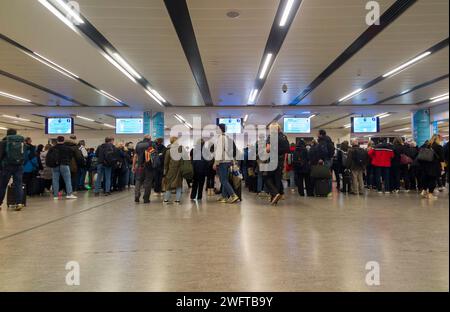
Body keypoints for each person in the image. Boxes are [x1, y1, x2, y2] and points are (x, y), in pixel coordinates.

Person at [263, 123, 290, 205]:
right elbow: (286, 151)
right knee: (277, 179)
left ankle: (275, 194)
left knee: (266, 177)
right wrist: (284, 162)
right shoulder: (284, 137)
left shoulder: (271, 137)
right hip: (281, 161)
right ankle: (274, 199)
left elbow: (268, 149)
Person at [213, 124, 240, 204]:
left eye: (217, 128)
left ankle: (233, 195)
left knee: (223, 180)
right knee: (225, 179)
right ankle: (224, 197)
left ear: (220, 129)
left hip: (222, 162)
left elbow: (219, 151)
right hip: (228, 161)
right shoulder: (227, 138)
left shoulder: (221, 138)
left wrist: (216, 163)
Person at [0, 129, 25, 211]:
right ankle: (19, 203)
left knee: (2, 185)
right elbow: (25, 155)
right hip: (19, 166)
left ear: (7, 134)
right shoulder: (21, 142)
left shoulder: (3, 142)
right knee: (18, 185)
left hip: (7, 166)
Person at [419, 135, 444, 199]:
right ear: (438, 139)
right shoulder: (439, 147)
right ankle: (430, 195)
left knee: (426, 179)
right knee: (432, 180)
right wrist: (442, 168)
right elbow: (441, 159)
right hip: (434, 166)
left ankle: (424, 192)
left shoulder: (427, 145)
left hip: (425, 166)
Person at [132, 135, 154, 203]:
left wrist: (133, 166)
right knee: (148, 182)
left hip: (140, 166)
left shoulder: (138, 145)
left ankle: (137, 195)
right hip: (149, 166)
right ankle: (146, 198)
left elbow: (135, 156)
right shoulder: (151, 144)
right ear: (150, 139)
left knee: (138, 180)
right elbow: (154, 156)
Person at [163, 137, 184, 204]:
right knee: (179, 185)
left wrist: (165, 172)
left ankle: (166, 199)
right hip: (179, 170)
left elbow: (166, 163)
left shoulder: (168, 151)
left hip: (171, 170)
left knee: (168, 185)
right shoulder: (181, 150)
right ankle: (177, 200)